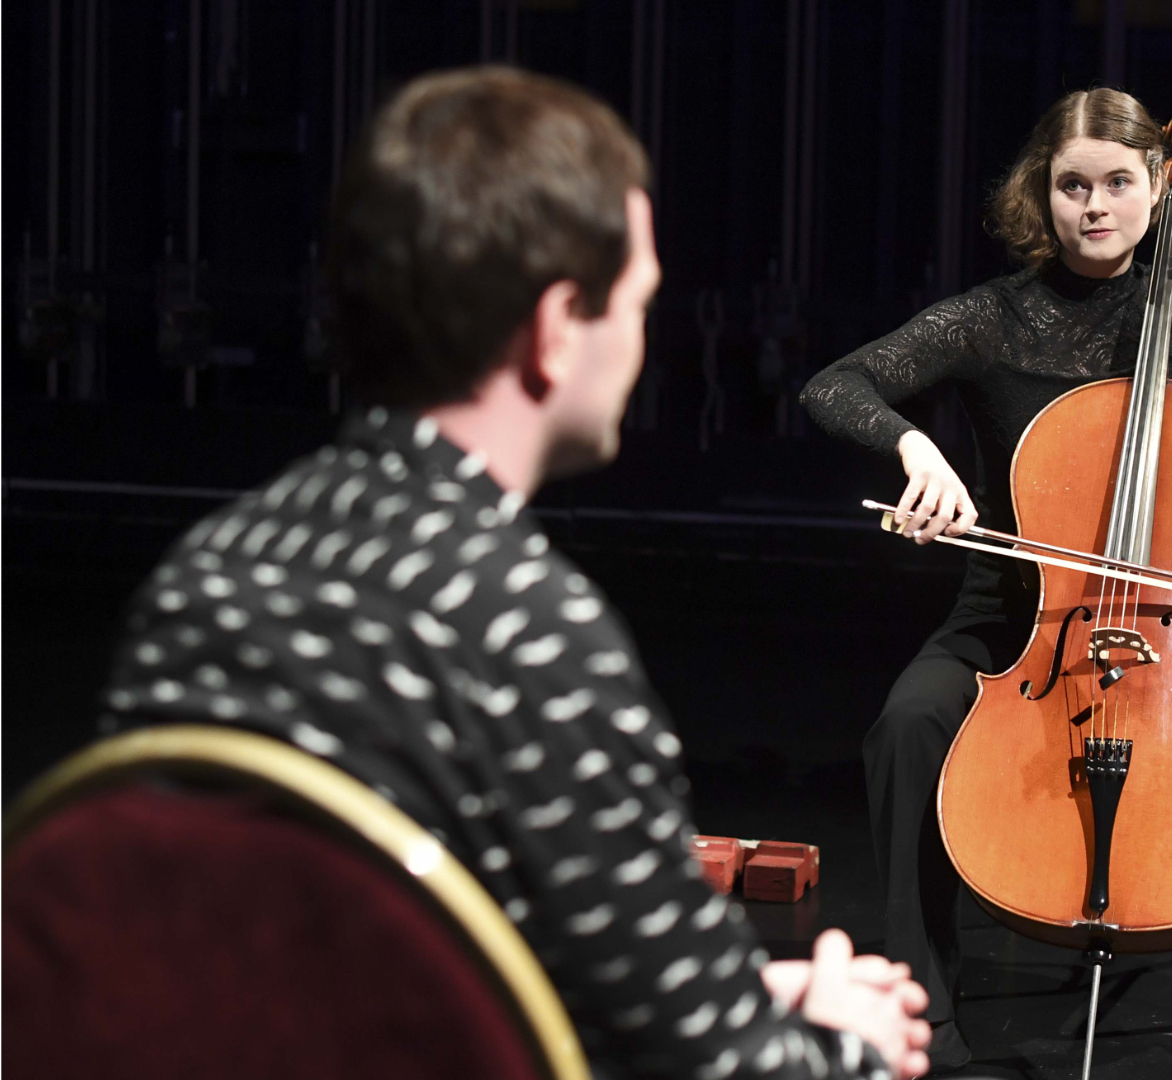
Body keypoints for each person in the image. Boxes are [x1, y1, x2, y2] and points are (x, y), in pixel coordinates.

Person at [98, 66, 930, 1080]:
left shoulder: (205, 579)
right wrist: (851, 1041)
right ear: (552, 329)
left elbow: (359, 950)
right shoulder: (529, 635)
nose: (641, 339)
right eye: (634, 304)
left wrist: (743, 992)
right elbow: (730, 1074)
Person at [799, 88, 1172, 1080]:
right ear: (1040, 195)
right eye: (1070, 186)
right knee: (907, 725)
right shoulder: (990, 317)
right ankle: (928, 1019)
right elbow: (835, 385)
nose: (1093, 206)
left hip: (1166, 611)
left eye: (1117, 183)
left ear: (1158, 191)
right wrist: (916, 445)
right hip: (1018, 619)